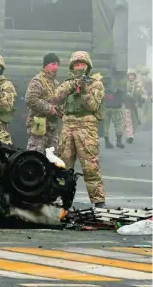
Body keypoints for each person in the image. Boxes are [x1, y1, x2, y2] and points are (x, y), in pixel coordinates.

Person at [52, 51, 106, 208]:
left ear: (88, 66)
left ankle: (98, 202)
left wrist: (83, 91)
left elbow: (93, 106)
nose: (79, 67)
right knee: (63, 166)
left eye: (82, 64)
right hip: (68, 126)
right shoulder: (67, 83)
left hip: (86, 127)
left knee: (90, 166)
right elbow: (56, 97)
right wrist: (72, 85)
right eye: (76, 64)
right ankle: (61, 200)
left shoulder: (96, 84)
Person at [25, 53, 62, 153]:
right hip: (38, 125)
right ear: (45, 65)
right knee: (36, 155)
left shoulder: (55, 83)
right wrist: (50, 108)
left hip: (52, 127)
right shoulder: (38, 81)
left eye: (58, 65)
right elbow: (30, 99)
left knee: (53, 158)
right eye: (53, 64)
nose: (56, 67)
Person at [102, 74, 126, 149]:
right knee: (118, 124)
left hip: (106, 107)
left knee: (106, 125)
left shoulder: (102, 81)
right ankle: (118, 142)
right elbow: (123, 94)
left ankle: (107, 142)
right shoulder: (120, 80)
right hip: (116, 107)